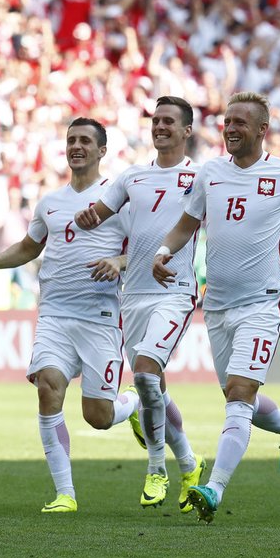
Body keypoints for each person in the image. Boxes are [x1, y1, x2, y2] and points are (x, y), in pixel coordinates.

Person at [152, 91, 280, 523]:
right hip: (216, 306)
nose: (231, 129)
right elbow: (187, 223)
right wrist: (164, 251)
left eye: (240, 122)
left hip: (261, 304)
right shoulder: (210, 173)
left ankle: (213, 489)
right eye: (227, 122)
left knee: (239, 395)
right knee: (243, 401)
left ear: (262, 130)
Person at [0, 117, 140, 514]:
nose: (76, 146)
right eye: (71, 140)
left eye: (85, 141)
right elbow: (29, 247)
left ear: (102, 151)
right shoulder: (50, 202)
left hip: (99, 317)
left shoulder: (118, 201)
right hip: (54, 314)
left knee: (98, 416)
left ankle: (132, 403)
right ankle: (66, 494)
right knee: (48, 387)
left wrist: (119, 260)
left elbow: (148, 251)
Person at [74, 97, 204, 512]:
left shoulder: (201, 177)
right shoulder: (131, 178)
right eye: (156, 120)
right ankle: (188, 462)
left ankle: (155, 469)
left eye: (169, 121)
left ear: (186, 131)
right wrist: (83, 219)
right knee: (155, 390)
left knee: (146, 373)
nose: (160, 126)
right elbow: (96, 213)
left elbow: (242, 207)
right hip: (133, 296)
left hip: (176, 290)